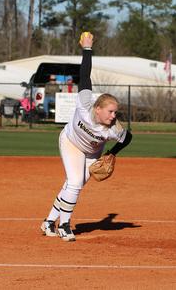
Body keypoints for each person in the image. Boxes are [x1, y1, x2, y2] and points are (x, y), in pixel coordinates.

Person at [40, 32, 132, 242]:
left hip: (93, 152)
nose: (113, 115)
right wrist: (87, 49)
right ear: (97, 109)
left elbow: (128, 138)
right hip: (71, 142)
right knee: (74, 182)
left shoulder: (113, 129)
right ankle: (64, 225)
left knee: (75, 185)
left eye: (115, 112)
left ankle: (48, 222)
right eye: (110, 111)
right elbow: (85, 75)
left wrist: (111, 153)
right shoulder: (84, 104)